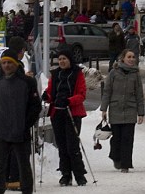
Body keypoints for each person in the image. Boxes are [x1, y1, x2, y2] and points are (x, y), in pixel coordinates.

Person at [0, 49, 41, 194]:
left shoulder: (27, 82)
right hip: (1, 130)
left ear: (16, 64)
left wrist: (26, 124)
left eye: (9, 63)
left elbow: (35, 106)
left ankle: (26, 190)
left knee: (23, 165)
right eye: (4, 63)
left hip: (20, 131)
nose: (6, 65)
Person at [44, 47, 88, 186]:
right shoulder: (55, 74)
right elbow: (50, 92)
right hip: (57, 113)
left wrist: (69, 100)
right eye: (60, 59)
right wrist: (47, 96)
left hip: (72, 113)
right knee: (62, 146)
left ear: (70, 60)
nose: (62, 61)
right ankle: (66, 174)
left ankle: (79, 174)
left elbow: (82, 94)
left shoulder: (77, 73)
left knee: (72, 146)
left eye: (64, 59)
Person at [100, 48, 145, 173]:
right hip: (116, 109)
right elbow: (107, 91)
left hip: (130, 109)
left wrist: (141, 112)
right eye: (129, 57)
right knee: (116, 138)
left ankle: (125, 164)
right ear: (123, 58)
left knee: (128, 138)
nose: (131, 59)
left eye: (133, 57)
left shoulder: (135, 74)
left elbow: (139, 94)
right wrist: (104, 109)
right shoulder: (114, 73)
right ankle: (116, 156)